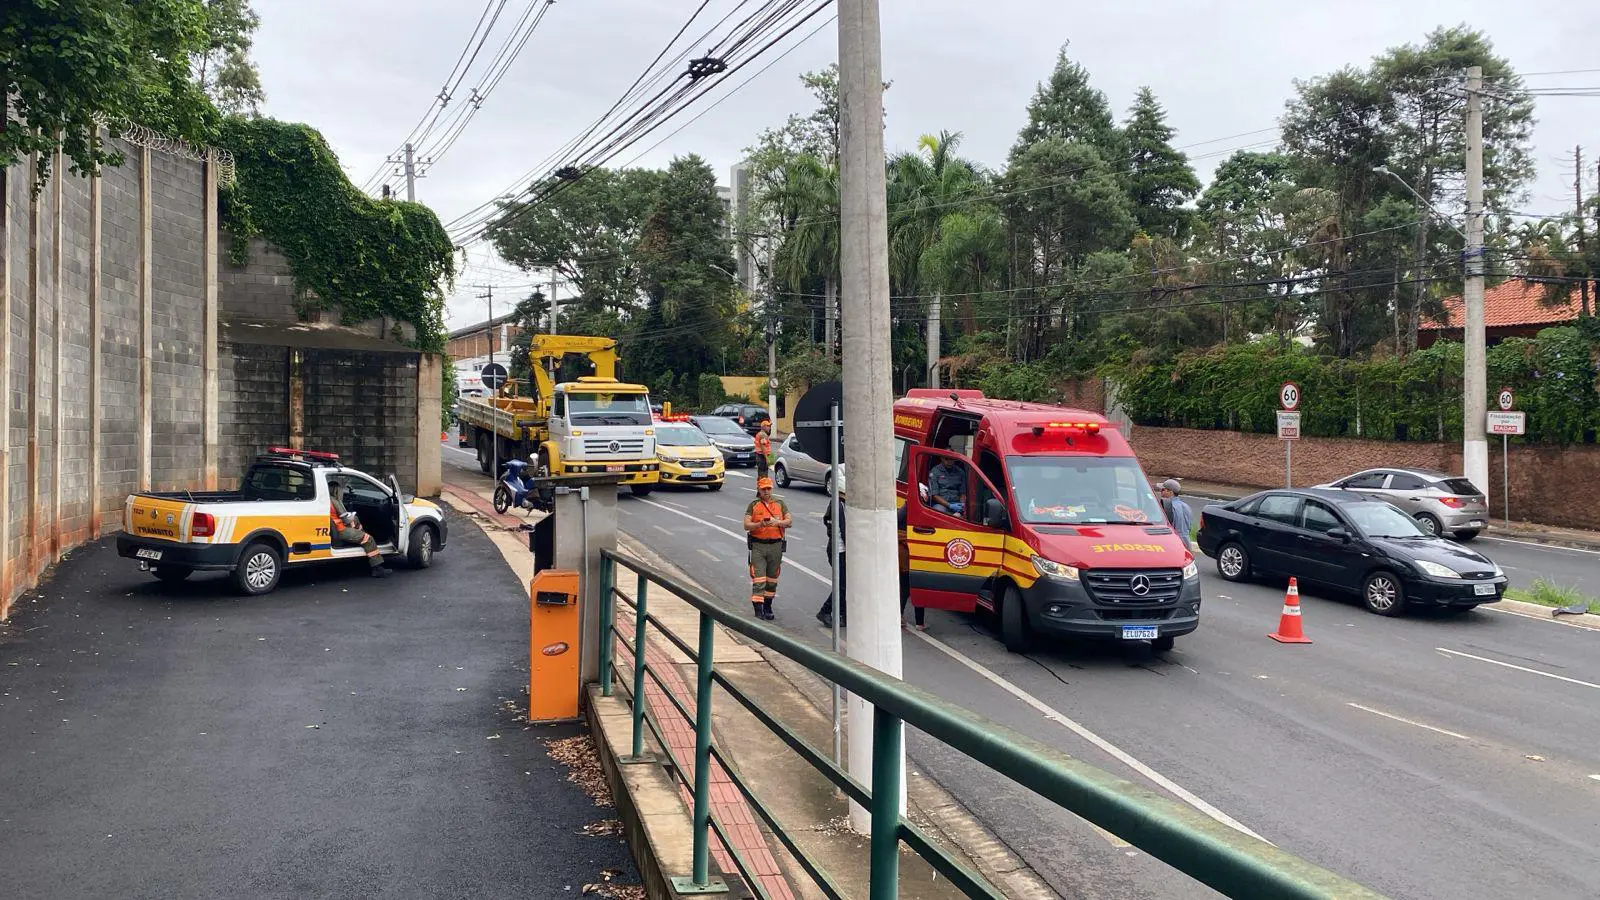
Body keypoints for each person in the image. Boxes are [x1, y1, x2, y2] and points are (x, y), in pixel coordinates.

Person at [743, 476, 792, 620]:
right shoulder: (754, 505)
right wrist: (759, 525)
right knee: (759, 580)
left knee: (772, 579)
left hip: (776, 546)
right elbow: (746, 525)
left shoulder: (780, 504)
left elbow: (789, 521)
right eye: (763, 489)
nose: (766, 491)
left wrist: (777, 522)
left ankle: (768, 606)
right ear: (758, 489)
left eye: (768, 488)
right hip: (758, 545)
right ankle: (758, 610)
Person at [328, 478, 388, 577]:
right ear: (335, 490)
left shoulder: (328, 500)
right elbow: (345, 518)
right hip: (341, 530)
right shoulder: (334, 500)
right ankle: (377, 568)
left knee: (355, 520)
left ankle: (360, 536)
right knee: (369, 539)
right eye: (339, 489)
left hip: (338, 527)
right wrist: (351, 515)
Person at [816, 485, 846, 628]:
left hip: (841, 549)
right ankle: (825, 611)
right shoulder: (837, 505)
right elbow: (843, 530)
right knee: (841, 585)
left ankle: (843, 614)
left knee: (845, 584)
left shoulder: (842, 504)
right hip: (838, 550)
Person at [1158, 478, 1194, 551]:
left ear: (1171, 492)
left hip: (1173, 542)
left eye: (1163, 490)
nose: (1160, 492)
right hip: (1187, 543)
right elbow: (1189, 527)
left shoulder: (1166, 506)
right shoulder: (1187, 507)